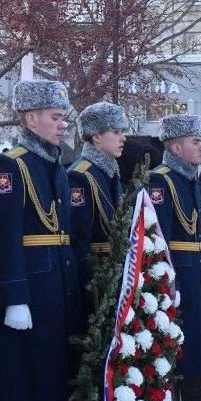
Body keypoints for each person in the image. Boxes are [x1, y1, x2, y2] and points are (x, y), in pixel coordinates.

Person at [0, 79, 86, 401]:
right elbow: (4, 236)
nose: (63, 124)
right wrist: (15, 297)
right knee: (28, 390)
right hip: (31, 291)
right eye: (55, 116)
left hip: (54, 288)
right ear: (31, 119)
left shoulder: (53, 164)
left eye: (63, 116)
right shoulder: (14, 165)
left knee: (46, 384)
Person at [146, 114, 201, 401]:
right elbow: (160, 235)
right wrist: (166, 281)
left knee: (186, 345)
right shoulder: (161, 181)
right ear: (176, 146)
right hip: (175, 272)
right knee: (172, 347)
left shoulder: (187, 178)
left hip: (191, 266)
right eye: (195, 141)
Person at [69, 102, 128, 282]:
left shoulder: (110, 171)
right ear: (97, 137)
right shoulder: (80, 175)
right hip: (94, 277)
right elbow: (78, 239)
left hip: (114, 271)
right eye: (116, 132)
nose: (123, 138)